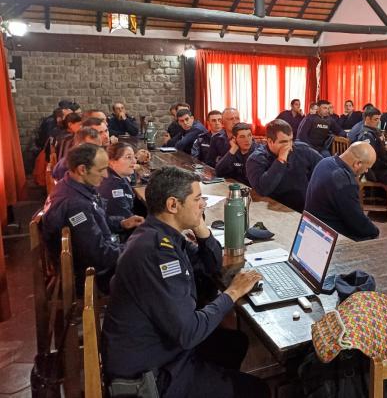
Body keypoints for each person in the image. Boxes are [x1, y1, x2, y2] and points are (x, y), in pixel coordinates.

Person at [101, 166, 268, 398]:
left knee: (234, 344)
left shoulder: (160, 233)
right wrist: (232, 292)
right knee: (257, 390)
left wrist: (200, 227)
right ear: (173, 205)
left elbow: (211, 264)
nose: (204, 204)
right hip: (151, 377)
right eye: (198, 199)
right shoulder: (157, 253)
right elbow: (189, 332)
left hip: (159, 350)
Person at [42, 144, 122, 295]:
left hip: (91, 257)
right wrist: (133, 248)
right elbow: (99, 256)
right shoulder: (76, 205)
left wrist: (121, 222)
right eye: (101, 170)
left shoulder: (69, 185)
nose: (106, 175)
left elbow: (97, 220)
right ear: (82, 169)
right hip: (91, 277)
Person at [305, 142, 380, 241]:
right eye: (367, 168)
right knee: (372, 235)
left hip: (311, 224)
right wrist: (375, 231)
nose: (366, 171)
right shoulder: (344, 181)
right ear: (358, 163)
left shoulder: (325, 161)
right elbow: (356, 221)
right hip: (326, 235)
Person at [246, 119, 322, 212]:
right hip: (275, 210)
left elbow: (322, 166)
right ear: (270, 141)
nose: (289, 146)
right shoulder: (256, 159)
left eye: (290, 140)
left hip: (305, 207)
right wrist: (281, 160)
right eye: (283, 142)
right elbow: (262, 190)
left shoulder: (301, 149)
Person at [97, 142, 146, 241]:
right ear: (111, 161)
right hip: (121, 239)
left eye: (134, 157)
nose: (134, 161)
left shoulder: (117, 176)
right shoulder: (113, 186)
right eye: (128, 157)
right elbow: (127, 221)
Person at [356, 107, 387, 185]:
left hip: (382, 167)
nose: (379, 122)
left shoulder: (374, 131)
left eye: (379, 119)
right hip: (376, 171)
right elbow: (369, 160)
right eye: (376, 119)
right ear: (367, 119)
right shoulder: (366, 135)